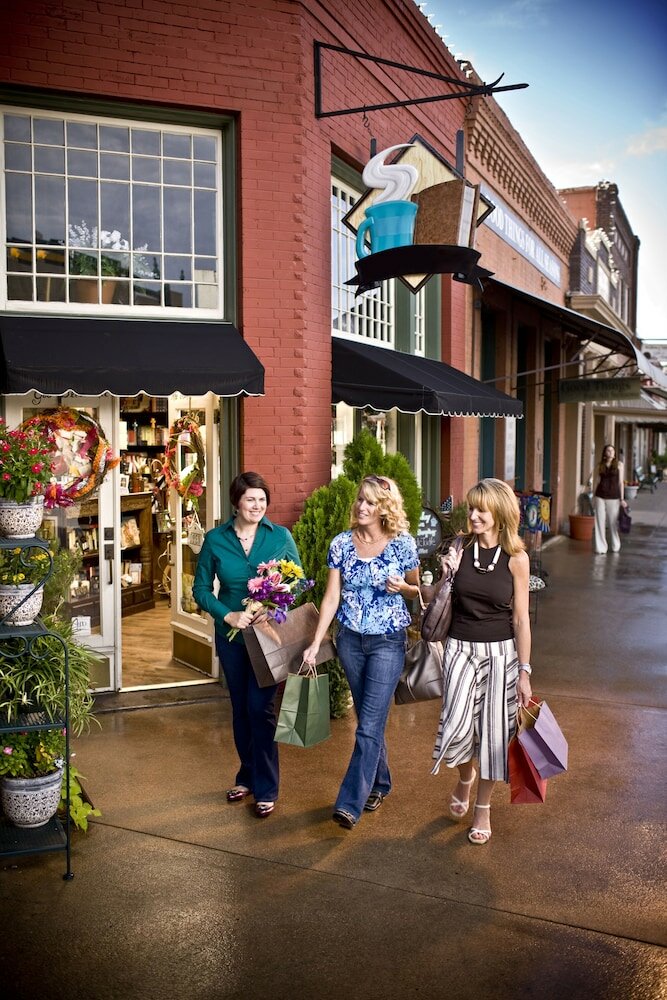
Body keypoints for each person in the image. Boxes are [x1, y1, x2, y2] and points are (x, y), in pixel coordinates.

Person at [302, 475, 420, 830]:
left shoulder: (402, 545)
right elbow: (331, 596)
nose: (362, 507)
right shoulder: (341, 544)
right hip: (350, 642)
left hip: (388, 642)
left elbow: (419, 590)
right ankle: (380, 782)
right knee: (372, 722)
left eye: (370, 502)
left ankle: (349, 803)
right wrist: (315, 642)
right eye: (360, 501)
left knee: (367, 724)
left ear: (384, 507)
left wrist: (403, 587)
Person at [193, 471, 302, 819]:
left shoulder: (279, 536)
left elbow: (296, 580)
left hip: (268, 638)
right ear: (236, 502)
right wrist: (227, 616)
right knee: (240, 709)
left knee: (261, 709)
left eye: (262, 500)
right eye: (251, 499)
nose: (257, 506)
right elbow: (199, 589)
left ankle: (267, 787)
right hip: (232, 639)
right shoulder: (215, 539)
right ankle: (247, 776)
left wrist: (271, 607)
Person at [431, 478, 532, 846]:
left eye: (480, 510)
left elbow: (520, 619)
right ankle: (464, 777)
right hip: (459, 649)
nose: (472, 515)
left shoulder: (517, 559)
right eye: (471, 508)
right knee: (456, 729)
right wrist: (446, 574)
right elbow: (437, 601)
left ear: (500, 515)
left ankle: (483, 807)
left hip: (501, 654)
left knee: (492, 737)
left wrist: (524, 671)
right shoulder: (458, 547)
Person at [591, 444, 627, 554]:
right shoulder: (600, 465)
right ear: (605, 453)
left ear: (615, 453)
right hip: (600, 496)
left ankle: (616, 545)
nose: (610, 452)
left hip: (614, 497)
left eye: (612, 450)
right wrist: (593, 496)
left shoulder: (619, 465)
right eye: (608, 450)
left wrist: (622, 499)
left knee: (612, 522)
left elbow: (621, 483)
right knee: (599, 522)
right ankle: (601, 547)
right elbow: (597, 481)